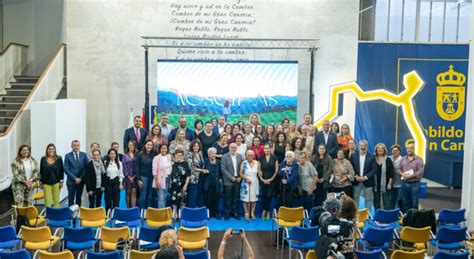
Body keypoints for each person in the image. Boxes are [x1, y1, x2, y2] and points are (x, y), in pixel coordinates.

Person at [350, 140, 377, 210]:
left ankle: (367, 216)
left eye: (364, 146)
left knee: (368, 198)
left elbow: (374, 170)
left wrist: (365, 177)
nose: (363, 147)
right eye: (361, 146)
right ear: (358, 146)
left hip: (368, 181)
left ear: (367, 146)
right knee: (355, 197)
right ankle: (355, 215)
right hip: (356, 180)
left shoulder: (372, 157)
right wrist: (356, 176)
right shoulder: (353, 156)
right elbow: (350, 168)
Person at [399, 141, 425, 213]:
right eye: (408, 148)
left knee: (414, 203)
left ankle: (414, 220)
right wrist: (402, 174)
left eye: (411, 148)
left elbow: (420, 172)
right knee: (405, 202)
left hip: (415, 184)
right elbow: (398, 169)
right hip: (404, 184)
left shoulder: (419, 159)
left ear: (414, 149)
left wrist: (410, 176)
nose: (409, 149)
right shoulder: (402, 159)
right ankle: (407, 218)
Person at [221, 143, 243, 220]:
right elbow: (223, 169)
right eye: (231, 147)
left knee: (236, 198)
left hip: (238, 180)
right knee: (228, 198)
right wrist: (231, 177)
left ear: (236, 148)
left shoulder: (240, 156)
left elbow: (242, 168)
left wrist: (240, 176)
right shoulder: (224, 157)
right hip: (228, 180)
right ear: (229, 148)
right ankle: (227, 213)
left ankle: (235, 213)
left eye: (234, 147)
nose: (233, 148)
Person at [64, 140, 89, 206]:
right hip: (71, 181)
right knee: (70, 199)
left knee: (79, 198)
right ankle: (70, 215)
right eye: (74, 145)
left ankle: (78, 213)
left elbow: (86, 168)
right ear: (71, 146)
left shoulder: (84, 155)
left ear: (79, 146)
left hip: (81, 181)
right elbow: (66, 169)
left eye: (77, 145)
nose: (76, 147)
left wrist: (80, 178)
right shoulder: (67, 156)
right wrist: (75, 178)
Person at [39, 144, 64, 208]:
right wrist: (40, 181)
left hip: (56, 182)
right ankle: (49, 215)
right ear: (47, 150)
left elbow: (61, 170)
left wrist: (61, 181)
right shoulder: (43, 159)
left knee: (56, 200)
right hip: (46, 182)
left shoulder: (59, 158)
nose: (51, 150)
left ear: (55, 150)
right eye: (49, 149)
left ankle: (56, 215)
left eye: (52, 149)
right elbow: (41, 171)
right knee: (47, 201)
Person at [258, 144, 278, 220]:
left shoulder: (275, 158)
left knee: (269, 195)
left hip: (272, 179)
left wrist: (271, 179)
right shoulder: (261, 158)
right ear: (263, 149)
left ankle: (266, 211)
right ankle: (265, 211)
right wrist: (262, 179)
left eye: (268, 148)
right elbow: (259, 170)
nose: (266, 149)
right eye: (265, 148)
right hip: (263, 179)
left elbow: (276, 170)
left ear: (270, 149)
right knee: (264, 195)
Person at [169, 149, 191, 219]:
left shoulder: (185, 163)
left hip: (183, 185)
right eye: (178, 155)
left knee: (183, 201)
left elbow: (188, 175)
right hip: (174, 186)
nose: (179, 157)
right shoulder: (172, 163)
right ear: (174, 156)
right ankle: (175, 214)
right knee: (174, 201)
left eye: (181, 155)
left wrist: (186, 185)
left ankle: (182, 215)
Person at [186, 140, 207, 208]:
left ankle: (199, 210)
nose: (196, 147)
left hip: (201, 177)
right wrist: (202, 170)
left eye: (197, 146)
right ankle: (191, 210)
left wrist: (203, 170)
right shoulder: (189, 154)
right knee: (193, 194)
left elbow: (202, 164)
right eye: (194, 146)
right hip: (193, 178)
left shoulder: (200, 154)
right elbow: (191, 167)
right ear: (192, 147)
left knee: (199, 194)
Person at [240, 150, 260, 220]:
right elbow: (241, 173)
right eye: (248, 155)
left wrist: (261, 174)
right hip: (246, 183)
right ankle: (246, 213)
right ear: (246, 156)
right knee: (245, 199)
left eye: (251, 155)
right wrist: (246, 178)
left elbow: (259, 172)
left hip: (254, 182)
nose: (250, 156)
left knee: (253, 199)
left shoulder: (257, 163)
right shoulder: (244, 163)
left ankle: (252, 213)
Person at [136, 140, 156, 209]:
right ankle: (141, 212)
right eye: (148, 145)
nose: (149, 146)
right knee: (143, 195)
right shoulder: (140, 154)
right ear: (145, 145)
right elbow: (137, 167)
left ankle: (149, 212)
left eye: (151, 145)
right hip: (143, 177)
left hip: (152, 177)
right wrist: (139, 179)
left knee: (150, 196)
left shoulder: (154, 155)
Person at [374, 143, 394, 210]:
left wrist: (389, 183)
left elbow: (391, 173)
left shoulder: (388, 160)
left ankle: (386, 216)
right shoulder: (373, 159)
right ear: (376, 150)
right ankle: (377, 216)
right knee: (376, 201)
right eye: (378, 148)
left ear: (384, 150)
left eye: (382, 148)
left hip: (385, 184)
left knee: (386, 201)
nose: (380, 149)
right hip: (375, 184)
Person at [153, 144, 173, 208]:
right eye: (162, 148)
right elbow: (154, 171)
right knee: (161, 197)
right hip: (159, 179)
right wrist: (156, 181)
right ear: (160, 149)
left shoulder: (169, 157)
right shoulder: (156, 158)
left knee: (164, 196)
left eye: (165, 148)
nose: (164, 150)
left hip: (167, 178)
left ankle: (164, 212)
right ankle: (161, 214)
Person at [204, 148, 222, 219]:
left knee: (216, 199)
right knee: (208, 200)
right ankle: (209, 214)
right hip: (208, 184)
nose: (213, 155)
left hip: (217, 184)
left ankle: (216, 213)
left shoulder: (218, 162)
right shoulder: (205, 162)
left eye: (214, 153)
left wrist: (221, 179)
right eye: (211, 153)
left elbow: (221, 172)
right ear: (208, 155)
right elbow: (203, 171)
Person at [122, 140, 138, 208]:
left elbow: (138, 166)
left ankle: (133, 209)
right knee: (128, 193)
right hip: (127, 177)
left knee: (134, 192)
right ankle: (128, 208)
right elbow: (124, 166)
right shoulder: (125, 155)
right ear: (128, 146)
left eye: (132, 145)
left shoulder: (137, 155)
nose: (131, 146)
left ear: (134, 146)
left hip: (135, 176)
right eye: (130, 145)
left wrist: (134, 176)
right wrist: (128, 176)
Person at [390, 144, 403, 210]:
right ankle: (391, 213)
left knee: (399, 200)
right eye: (393, 150)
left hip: (400, 184)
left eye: (397, 150)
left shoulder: (403, 159)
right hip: (390, 184)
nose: (395, 151)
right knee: (391, 200)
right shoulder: (389, 158)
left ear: (400, 151)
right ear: (391, 151)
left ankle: (399, 215)